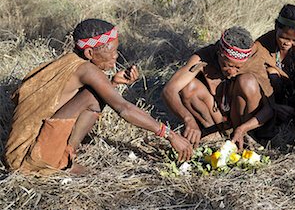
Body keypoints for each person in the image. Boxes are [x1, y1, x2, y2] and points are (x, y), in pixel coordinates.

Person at [5, 19, 192, 175]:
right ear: (89, 53)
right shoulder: (88, 70)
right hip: (30, 158)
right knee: (94, 98)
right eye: (110, 52)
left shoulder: (70, 61)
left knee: (95, 95)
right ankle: (62, 160)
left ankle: (64, 154)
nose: (115, 57)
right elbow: (124, 109)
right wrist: (169, 134)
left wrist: (113, 83)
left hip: (16, 154)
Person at [162, 26, 275, 150]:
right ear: (219, 54)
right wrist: (188, 119)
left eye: (238, 68)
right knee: (188, 87)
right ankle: (214, 135)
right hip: (215, 117)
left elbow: (268, 109)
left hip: (242, 121)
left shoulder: (253, 61)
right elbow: (169, 90)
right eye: (228, 65)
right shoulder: (204, 57)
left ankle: (246, 137)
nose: (232, 72)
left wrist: (243, 128)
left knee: (247, 82)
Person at [255, 4, 295, 131]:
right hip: (270, 97)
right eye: (284, 37)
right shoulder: (261, 45)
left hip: (292, 90)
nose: (288, 43)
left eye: (294, 40)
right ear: (276, 27)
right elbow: (257, 80)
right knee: (272, 74)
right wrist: (274, 106)